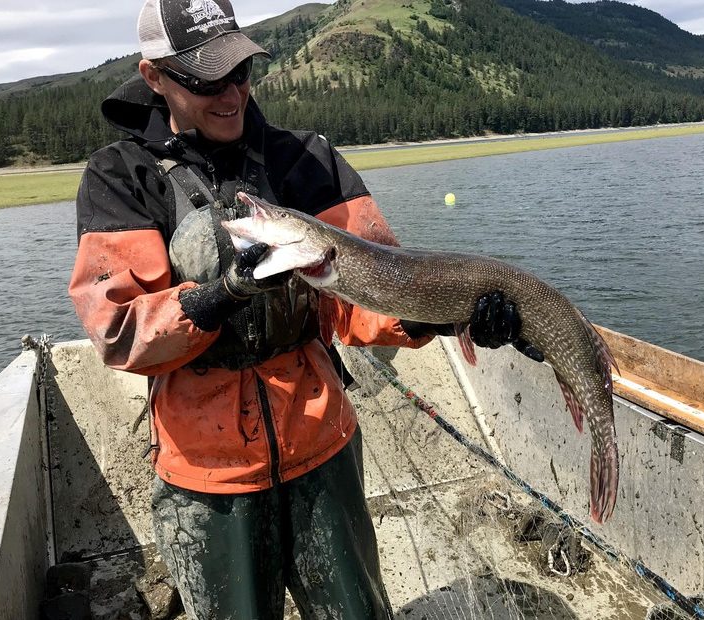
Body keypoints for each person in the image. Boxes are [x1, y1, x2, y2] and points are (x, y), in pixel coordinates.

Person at [68, 0, 538, 617]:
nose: (232, 92)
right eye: (206, 79)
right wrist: (218, 297)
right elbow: (118, 332)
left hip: (322, 447)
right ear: (154, 76)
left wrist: (439, 314)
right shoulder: (120, 177)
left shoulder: (306, 159)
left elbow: (369, 294)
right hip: (208, 476)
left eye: (239, 72)